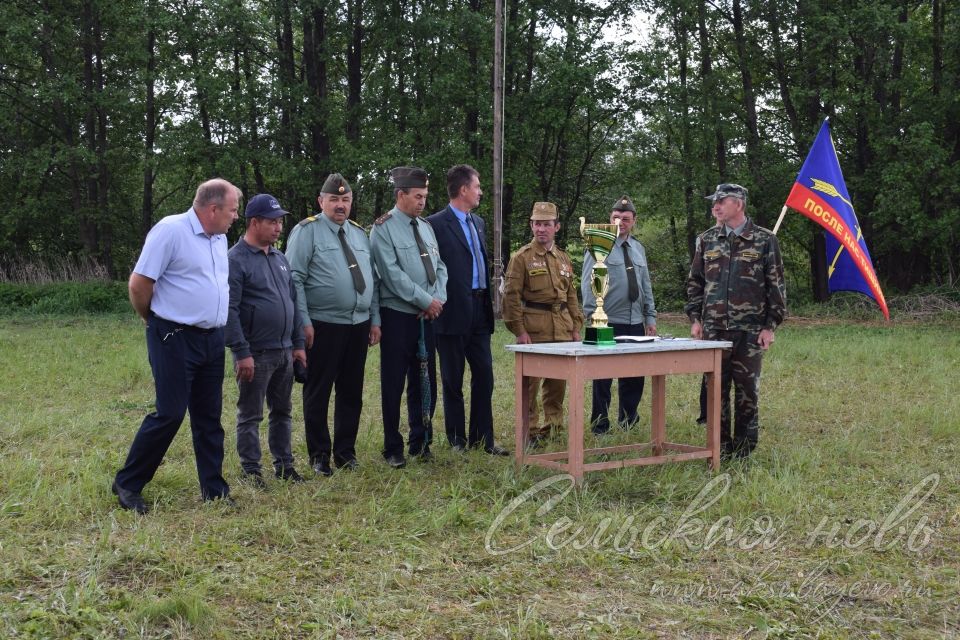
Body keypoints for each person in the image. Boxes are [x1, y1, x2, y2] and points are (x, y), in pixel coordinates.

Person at [112, 179, 239, 514]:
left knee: (209, 417)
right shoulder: (170, 231)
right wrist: (152, 319)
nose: (236, 216)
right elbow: (139, 283)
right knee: (169, 413)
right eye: (232, 209)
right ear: (213, 209)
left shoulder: (219, 237)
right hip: (174, 336)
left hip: (212, 339)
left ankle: (214, 489)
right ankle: (128, 483)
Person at [285, 173, 380, 477]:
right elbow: (294, 279)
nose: (340, 205)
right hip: (322, 325)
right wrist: (303, 321)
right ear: (321, 201)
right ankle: (319, 455)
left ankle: (345, 452)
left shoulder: (358, 233)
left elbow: (371, 281)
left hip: (358, 324)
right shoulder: (306, 231)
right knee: (318, 390)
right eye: (334, 199)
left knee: (351, 391)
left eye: (345, 200)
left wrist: (375, 319)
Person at [685, 183, 786, 459]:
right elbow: (695, 282)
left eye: (721, 201)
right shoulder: (707, 240)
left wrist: (770, 326)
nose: (715, 206)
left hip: (750, 332)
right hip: (715, 331)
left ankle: (743, 450)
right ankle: (718, 448)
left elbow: (776, 286)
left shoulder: (764, 240)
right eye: (713, 202)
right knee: (715, 391)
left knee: (746, 393)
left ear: (738, 204)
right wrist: (696, 319)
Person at [225, 193, 307, 488]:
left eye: (280, 221)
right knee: (250, 414)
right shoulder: (235, 260)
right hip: (255, 353)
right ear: (254, 222)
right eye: (272, 222)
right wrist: (240, 351)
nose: (278, 227)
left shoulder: (279, 258)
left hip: (284, 350)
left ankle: (285, 466)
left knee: (283, 411)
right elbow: (229, 310)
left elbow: (292, 303)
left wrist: (298, 344)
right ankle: (251, 471)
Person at [427, 165, 509, 456]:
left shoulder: (479, 222)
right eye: (477, 187)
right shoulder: (434, 224)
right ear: (463, 190)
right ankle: (457, 441)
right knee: (452, 379)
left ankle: (482, 438)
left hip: (479, 307)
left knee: (484, 374)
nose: (480, 192)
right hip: (450, 311)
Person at [370, 166, 448, 468]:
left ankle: (422, 440)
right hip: (399, 316)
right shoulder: (383, 228)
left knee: (426, 379)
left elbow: (440, 268)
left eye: (426, 196)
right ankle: (393, 446)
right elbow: (391, 275)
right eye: (418, 196)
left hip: (428, 316)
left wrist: (437, 299)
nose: (423, 202)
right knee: (394, 382)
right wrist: (424, 300)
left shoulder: (426, 227)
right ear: (400, 195)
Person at [502, 201, 584, 447]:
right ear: (531, 225)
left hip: (561, 327)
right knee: (530, 385)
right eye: (537, 224)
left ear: (556, 227)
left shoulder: (563, 258)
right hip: (534, 329)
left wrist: (575, 325)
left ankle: (553, 426)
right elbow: (511, 296)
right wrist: (519, 330)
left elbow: (570, 294)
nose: (541, 229)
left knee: (557, 383)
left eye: (546, 224)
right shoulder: (521, 258)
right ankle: (529, 431)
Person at [581, 195, 657, 434]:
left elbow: (645, 285)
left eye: (625, 218)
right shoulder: (597, 246)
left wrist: (650, 317)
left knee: (634, 376)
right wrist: (593, 315)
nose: (620, 222)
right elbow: (587, 284)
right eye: (616, 217)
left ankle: (628, 420)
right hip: (608, 321)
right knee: (602, 377)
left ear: (634, 221)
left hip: (635, 323)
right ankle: (600, 424)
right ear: (610, 219)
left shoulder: (638, 249)